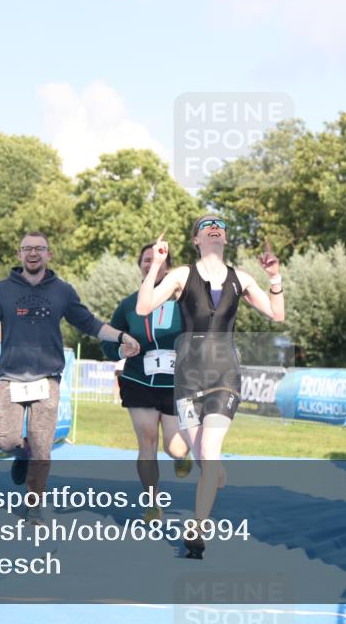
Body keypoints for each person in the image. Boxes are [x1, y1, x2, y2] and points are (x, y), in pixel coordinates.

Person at [0, 231, 141, 525]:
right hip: (11, 378)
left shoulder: (63, 291)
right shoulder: (2, 290)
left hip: (47, 379)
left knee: (42, 448)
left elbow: (90, 324)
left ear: (49, 255)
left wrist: (123, 336)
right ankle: (21, 453)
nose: (33, 253)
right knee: (7, 440)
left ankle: (34, 506)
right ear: (19, 254)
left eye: (39, 249)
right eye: (27, 249)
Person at [136, 215, 285, 558]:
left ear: (225, 239)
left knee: (209, 450)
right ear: (196, 240)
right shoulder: (181, 275)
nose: (214, 227)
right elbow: (144, 306)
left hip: (224, 376)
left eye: (219, 225)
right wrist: (157, 263)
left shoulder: (241, 278)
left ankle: (198, 528)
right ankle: (211, 471)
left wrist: (274, 277)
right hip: (187, 378)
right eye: (207, 225)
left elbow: (276, 315)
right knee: (204, 458)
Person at [102, 243, 193, 523]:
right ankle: (152, 502)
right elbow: (108, 342)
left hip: (177, 385)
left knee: (174, 447)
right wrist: (120, 349)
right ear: (140, 265)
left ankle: (182, 456)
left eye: (157, 260)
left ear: (169, 266)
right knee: (147, 441)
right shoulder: (129, 305)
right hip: (138, 380)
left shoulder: (185, 303)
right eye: (145, 260)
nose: (150, 264)